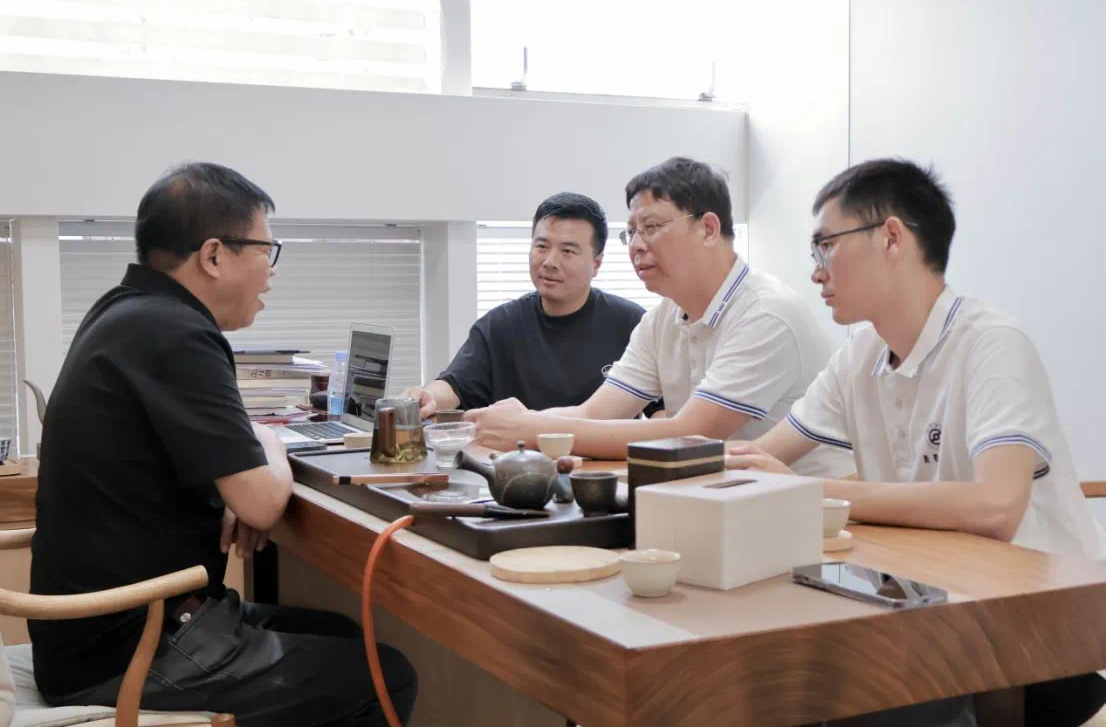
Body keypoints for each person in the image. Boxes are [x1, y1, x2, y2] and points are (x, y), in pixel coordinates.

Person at [29, 162, 417, 727]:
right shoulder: (177, 333)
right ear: (213, 255)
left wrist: (236, 479)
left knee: (339, 635)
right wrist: (271, 446)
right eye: (265, 250)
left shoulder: (124, 310)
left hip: (102, 632)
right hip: (131, 647)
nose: (271, 272)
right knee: (386, 678)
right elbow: (261, 502)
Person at [724, 158, 1106, 728]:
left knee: (835, 697)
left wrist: (810, 493)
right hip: (930, 606)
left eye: (825, 246)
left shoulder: (992, 344)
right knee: (780, 681)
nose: (816, 271)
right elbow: (765, 457)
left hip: (1045, 631)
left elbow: (997, 507)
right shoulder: (859, 356)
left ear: (891, 238)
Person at [467, 157, 854, 478]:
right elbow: (596, 414)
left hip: (819, 519)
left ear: (708, 229)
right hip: (724, 497)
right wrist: (512, 425)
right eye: (631, 232)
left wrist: (533, 429)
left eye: (651, 228)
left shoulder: (766, 314)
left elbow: (690, 434)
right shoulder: (661, 320)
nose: (636, 246)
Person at [402, 192, 662, 418]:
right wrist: (428, 396)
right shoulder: (499, 326)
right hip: (515, 458)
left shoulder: (631, 323)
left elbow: (662, 412)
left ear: (596, 263)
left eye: (567, 251)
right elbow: (454, 386)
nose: (549, 261)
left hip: (606, 459)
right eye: (541, 246)